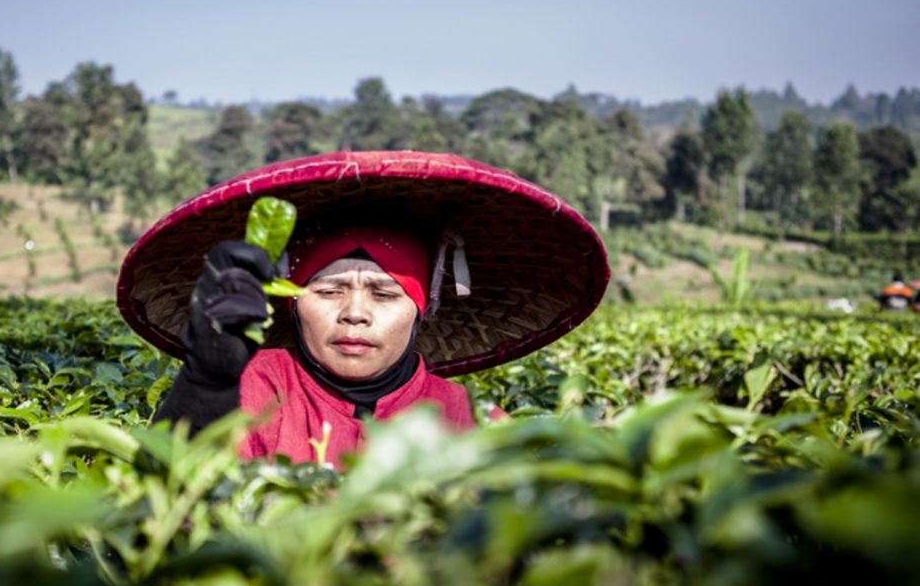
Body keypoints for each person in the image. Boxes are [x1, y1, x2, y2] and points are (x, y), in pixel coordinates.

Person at [117, 151, 609, 469]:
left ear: (423, 307)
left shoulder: (468, 418)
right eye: (328, 291)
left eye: (385, 293)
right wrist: (205, 383)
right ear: (291, 301)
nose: (355, 313)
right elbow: (172, 497)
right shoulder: (256, 387)